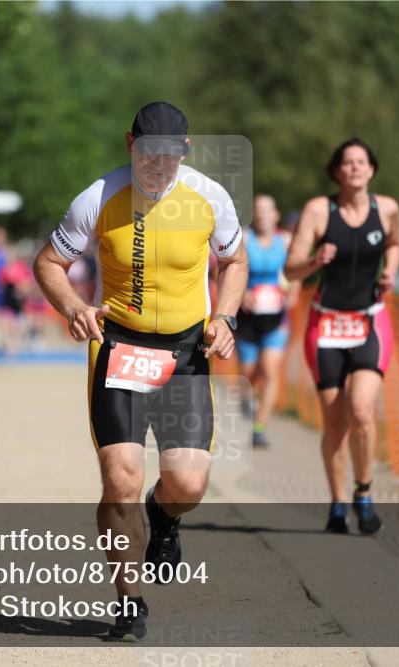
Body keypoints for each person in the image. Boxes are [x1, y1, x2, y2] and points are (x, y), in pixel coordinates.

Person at [33, 102, 247, 641]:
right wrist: (74, 307)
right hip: (119, 348)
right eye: (149, 153)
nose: (159, 164)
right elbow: (49, 263)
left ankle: (165, 515)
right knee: (120, 478)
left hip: (185, 352)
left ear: (186, 152)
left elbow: (235, 261)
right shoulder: (99, 197)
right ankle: (129, 601)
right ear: (131, 144)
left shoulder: (210, 197)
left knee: (188, 483)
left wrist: (225, 316)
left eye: (170, 156)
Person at [284, 138, 399, 535]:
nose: (355, 168)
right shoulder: (319, 210)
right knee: (335, 423)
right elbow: (290, 270)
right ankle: (337, 504)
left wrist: (390, 272)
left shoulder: (387, 209)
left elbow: (395, 243)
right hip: (326, 326)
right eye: (347, 163)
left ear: (372, 169)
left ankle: (363, 494)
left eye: (361, 162)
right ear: (336, 171)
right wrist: (315, 261)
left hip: (369, 321)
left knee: (363, 410)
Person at [236, 194, 299, 447]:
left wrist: (292, 294)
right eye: (258, 209)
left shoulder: (286, 241)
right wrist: (242, 294)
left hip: (276, 317)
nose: (262, 214)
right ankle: (246, 397)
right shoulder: (244, 239)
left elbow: (296, 272)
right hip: (248, 316)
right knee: (249, 372)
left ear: (276, 215)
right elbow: (229, 269)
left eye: (267, 209)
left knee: (270, 370)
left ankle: (259, 428)